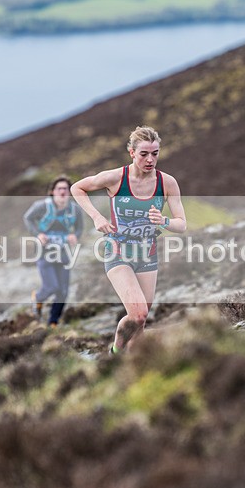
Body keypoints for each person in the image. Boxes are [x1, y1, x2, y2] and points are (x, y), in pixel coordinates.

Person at [71, 125, 186, 354]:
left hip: (147, 255)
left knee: (140, 322)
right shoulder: (115, 178)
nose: (150, 159)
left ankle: (132, 364)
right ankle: (115, 352)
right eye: (144, 154)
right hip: (118, 252)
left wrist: (163, 221)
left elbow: (181, 224)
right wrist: (97, 217)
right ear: (132, 153)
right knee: (139, 313)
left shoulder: (167, 183)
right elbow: (78, 188)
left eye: (155, 153)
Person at [23, 176, 84, 327]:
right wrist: (38, 234)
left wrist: (74, 236)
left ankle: (53, 323)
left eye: (66, 189)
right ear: (52, 192)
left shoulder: (75, 209)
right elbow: (28, 218)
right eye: (59, 189)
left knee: (63, 292)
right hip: (44, 252)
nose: (63, 192)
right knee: (52, 287)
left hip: (64, 253)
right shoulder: (42, 206)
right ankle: (37, 298)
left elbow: (79, 228)